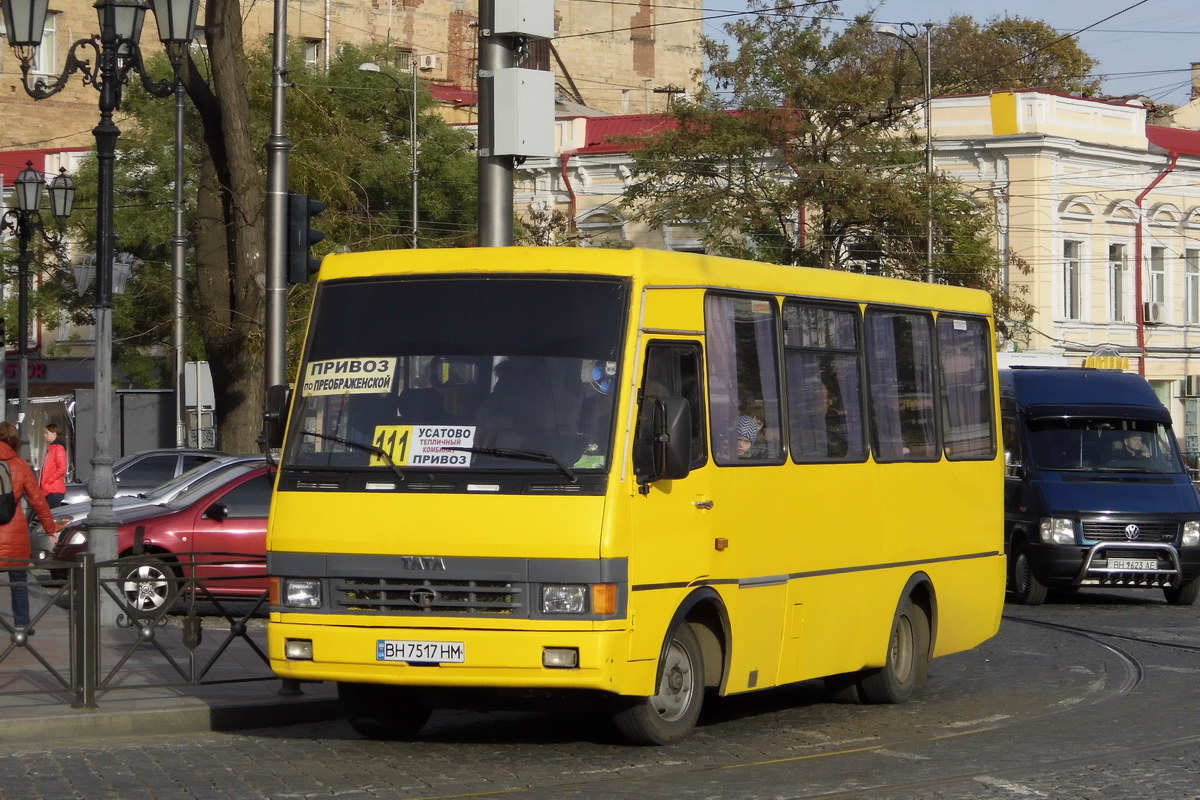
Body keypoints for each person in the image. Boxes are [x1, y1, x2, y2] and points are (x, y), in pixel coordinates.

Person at [0, 421, 56, 632]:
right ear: (15, 441)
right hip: (14, 534)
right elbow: (38, 501)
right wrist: (51, 529)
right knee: (19, 581)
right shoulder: (20, 465)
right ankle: (22, 624)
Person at [40, 423, 67, 508]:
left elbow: (62, 468)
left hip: (54, 490)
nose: (45, 435)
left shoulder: (58, 448)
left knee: (53, 517)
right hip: (50, 489)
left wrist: (49, 480)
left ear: (54, 434)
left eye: (47, 433)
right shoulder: (52, 448)